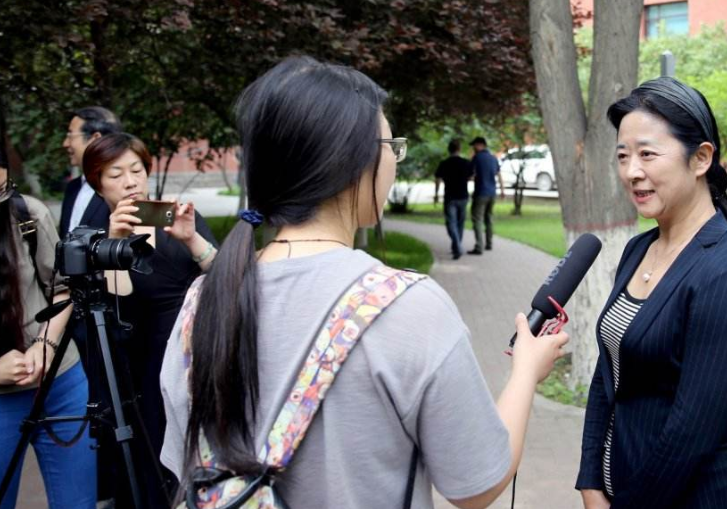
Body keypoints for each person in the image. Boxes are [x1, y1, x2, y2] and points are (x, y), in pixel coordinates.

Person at [159, 56, 568, 509]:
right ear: (354, 160)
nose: (394, 158)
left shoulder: (203, 300)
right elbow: (476, 486)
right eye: (392, 144)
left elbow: (187, 467)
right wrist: (527, 371)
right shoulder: (409, 307)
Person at [576, 77, 727, 509]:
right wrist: (591, 480)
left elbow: (692, 431)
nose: (632, 171)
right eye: (623, 156)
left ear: (701, 158)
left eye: (648, 154)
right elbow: (608, 373)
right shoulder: (638, 249)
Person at [81, 133, 219, 508]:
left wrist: (192, 241)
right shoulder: (94, 237)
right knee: (151, 460)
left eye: (137, 170)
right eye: (115, 174)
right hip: (143, 364)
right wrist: (115, 241)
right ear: (97, 183)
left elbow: (223, 278)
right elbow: (117, 309)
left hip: (194, 349)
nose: (130, 181)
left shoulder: (175, 217)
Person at [0, 160, 96, 508]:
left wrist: (45, 344)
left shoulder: (27, 214)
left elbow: (63, 288)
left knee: (78, 501)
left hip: (60, 380)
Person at [59, 106, 122, 237]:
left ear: (95, 138)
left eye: (70, 136)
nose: (65, 143)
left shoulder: (123, 189)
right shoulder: (73, 187)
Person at [435, 139, 473, 260]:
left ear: (449, 149)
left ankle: (457, 247)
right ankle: (457, 247)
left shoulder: (444, 163)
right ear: (459, 149)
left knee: (451, 223)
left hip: (450, 197)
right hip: (463, 196)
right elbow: (472, 176)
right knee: (460, 223)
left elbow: (438, 179)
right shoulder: (466, 163)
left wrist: (436, 194)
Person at [468, 137, 505, 255]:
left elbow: (471, 174)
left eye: (474, 145)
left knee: (477, 219)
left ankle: (479, 247)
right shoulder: (493, 158)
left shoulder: (477, 158)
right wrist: (503, 190)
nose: (473, 148)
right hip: (492, 193)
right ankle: (489, 244)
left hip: (480, 193)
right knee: (489, 219)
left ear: (480, 145)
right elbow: (499, 174)